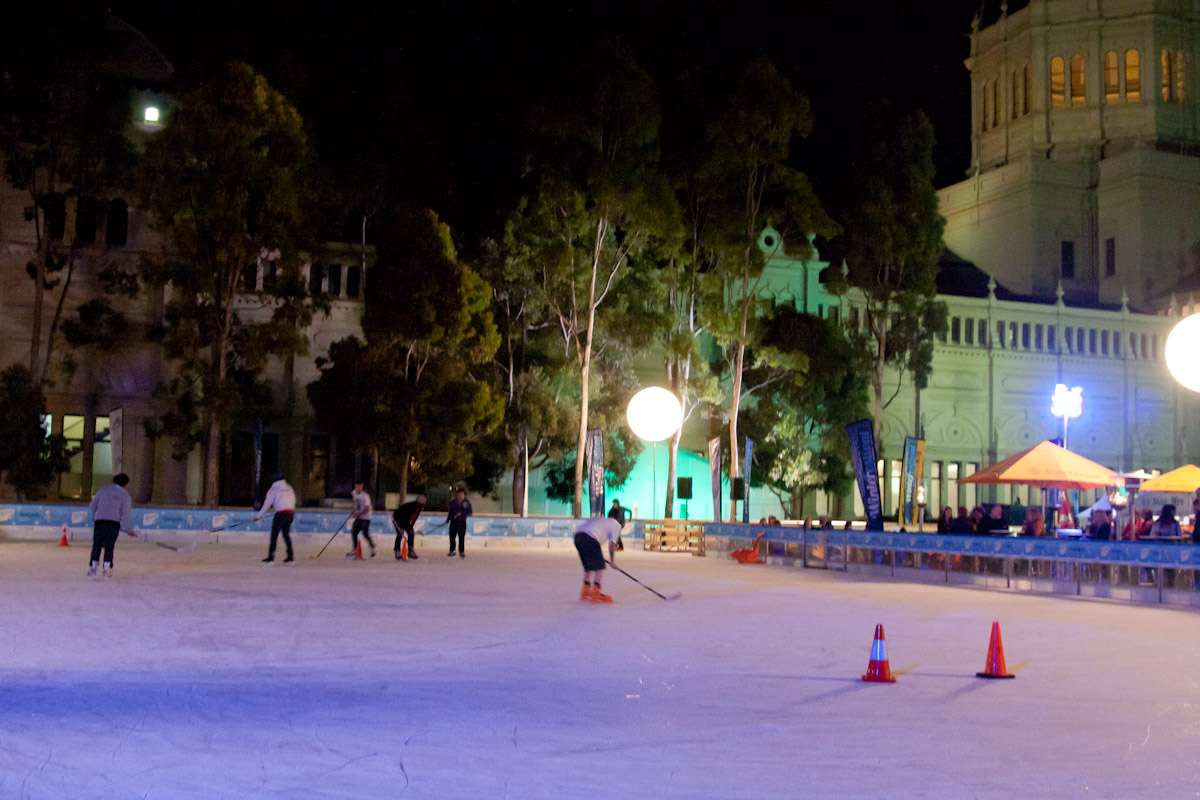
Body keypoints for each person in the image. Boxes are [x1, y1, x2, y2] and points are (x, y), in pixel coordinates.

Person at [88, 473, 136, 578]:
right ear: (126, 484)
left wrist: (96, 516)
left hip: (100, 521)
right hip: (113, 523)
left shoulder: (103, 490)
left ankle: (93, 568)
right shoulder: (125, 495)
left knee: (96, 545)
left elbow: (92, 506)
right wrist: (128, 529)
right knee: (109, 546)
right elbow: (125, 514)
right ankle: (107, 569)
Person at [574, 516, 621, 603]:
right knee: (600, 566)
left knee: (589, 565)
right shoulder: (617, 524)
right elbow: (612, 545)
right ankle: (596, 593)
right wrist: (612, 561)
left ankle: (585, 590)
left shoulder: (603, 520)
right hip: (590, 537)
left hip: (578, 536)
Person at [255, 472, 296, 563]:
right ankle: (290, 556)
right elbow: (293, 500)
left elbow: (267, 504)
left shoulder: (273, 489)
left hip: (281, 514)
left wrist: (258, 516)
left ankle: (271, 557)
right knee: (286, 534)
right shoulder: (289, 487)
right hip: (290, 513)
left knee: (274, 535)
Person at [392, 495, 426, 560]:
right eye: (422, 504)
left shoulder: (418, 508)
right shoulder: (411, 507)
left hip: (405, 520)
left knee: (411, 533)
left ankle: (410, 551)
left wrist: (411, 527)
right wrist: (400, 527)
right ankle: (397, 550)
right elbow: (402, 517)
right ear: (418, 503)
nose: (423, 505)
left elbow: (414, 518)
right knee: (400, 534)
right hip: (397, 518)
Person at [348, 481, 376, 558]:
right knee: (354, 532)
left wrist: (358, 514)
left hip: (366, 517)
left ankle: (372, 548)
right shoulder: (354, 493)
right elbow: (354, 503)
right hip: (359, 517)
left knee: (365, 533)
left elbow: (367, 509)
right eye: (356, 486)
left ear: (362, 487)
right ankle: (355, 549)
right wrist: (353, 511)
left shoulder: (365, 496)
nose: (357, 488)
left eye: (359, 487)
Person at [446, 488, 472, 558]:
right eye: (459, 494)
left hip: (462, 522)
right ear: (456, 495)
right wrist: (447, 520)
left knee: (461, 537)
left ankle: (461, 551)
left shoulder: (467, 503)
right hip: (453, 522)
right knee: (452, 537)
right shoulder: (452, 502)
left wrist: (461, 514)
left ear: (464, 495)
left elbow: (470, 512)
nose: (460, 496)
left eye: (462, 494)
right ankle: (452, 551)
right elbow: (450, 513)